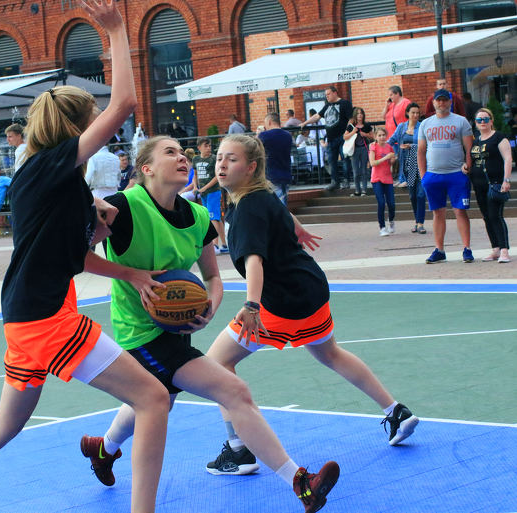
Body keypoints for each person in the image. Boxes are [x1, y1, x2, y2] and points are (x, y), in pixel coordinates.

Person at [0, 3, 170, 513]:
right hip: (46, 318)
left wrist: (116, 253)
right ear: (79, 127)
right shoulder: (50, 165)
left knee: (5, 424)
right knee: (153, 398)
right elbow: (125, 104)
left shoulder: (51, 181)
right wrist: (115, 29)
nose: (103, 128)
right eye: (94, 121)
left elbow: (71, 258)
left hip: (28, 314)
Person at [82, 135, 340, 513]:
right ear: (146, 168)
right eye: (169, 152)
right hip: (140, 333)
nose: (182, 157)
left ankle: (103, 450)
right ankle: (300, 482)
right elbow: (75, 255)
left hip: (177, 327)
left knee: (159, 398)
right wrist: (131, 274)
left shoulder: (198, 216)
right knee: (233, 391)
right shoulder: (122, 207)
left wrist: (209, 309)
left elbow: (213, 278)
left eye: (182, 152)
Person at [204, 134, 417, 480]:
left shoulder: (245, 211)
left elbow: (254, 261)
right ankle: (396, 411)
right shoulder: (263, 195)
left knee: (216, 364)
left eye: (232, 159)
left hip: (280, 302)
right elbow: (282, 212)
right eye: (219, 158)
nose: (222, 165)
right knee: (330, 353)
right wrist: (299, 229)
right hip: (311, 289)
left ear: (252, 167)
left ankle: (238, 449)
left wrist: (251, 305)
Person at [418, 88, 474, 264]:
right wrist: (423, 176)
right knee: (437, 212)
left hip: (456, 173)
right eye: (438, 100)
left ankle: (467, 248)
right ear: (433, 102)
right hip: (433, 175)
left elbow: (469, 148)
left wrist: (468, 166)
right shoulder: (425, 124)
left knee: (460, 211)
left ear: (450, 102)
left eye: (444, 100)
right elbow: (421, 150)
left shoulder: (461, 121)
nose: (441, 103)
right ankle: (439, 249)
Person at [469, 108, 512, 263]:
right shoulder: (476, 141)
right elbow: (474, 159)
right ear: (475, 123)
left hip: (495, 183)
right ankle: (496, 248)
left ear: (491, 121)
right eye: (479, 120)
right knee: (487, 217)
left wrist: (506, 180)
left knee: (495, 216)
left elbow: (508, 159)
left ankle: (504, 250)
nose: (483, 122)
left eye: (486, 119)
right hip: (479, 185)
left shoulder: (499, 137)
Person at [301, 86, 353, 190]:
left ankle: (346, 181)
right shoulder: (327, 105)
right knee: (331, 161)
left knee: (345, 160)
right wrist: (305, 123)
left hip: (342, 137)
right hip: (331, 138)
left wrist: (347, 132)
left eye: (328, 94)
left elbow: (351, 119)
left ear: (335, 93)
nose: (327, 96)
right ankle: (335, 182)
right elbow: (317, 116)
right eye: (326, 95)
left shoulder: (344, 103)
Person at [389, 103, 427, 234]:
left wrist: (411, 146)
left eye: (417, 113)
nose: (416, 115)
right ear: (407, 113)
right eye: (413, 113)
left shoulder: (422, 127)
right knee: (412, 196)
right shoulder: (401, 127)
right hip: (408, 165)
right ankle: (417, 221)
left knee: (421, 194)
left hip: (421, 164)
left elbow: (427, 145)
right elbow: (391, 141)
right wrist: (380, 148)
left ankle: (421, 223)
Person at [194, 137, 227, 253]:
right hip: (203, 193)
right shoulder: (196, 159)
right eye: (206, 146)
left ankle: (215, 245)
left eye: (209, 146)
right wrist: (195, 187)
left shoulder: (213, 159)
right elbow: (195, 175)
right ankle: (224, 245)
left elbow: (217, 177)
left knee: (213, 218)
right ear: (199, 147)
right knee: (215, 218)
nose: (208, 148)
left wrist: (204, 188)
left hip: (213, 191)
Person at [257, 112, 293, 205]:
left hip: (270, 175)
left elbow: (255, 148)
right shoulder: (288, 135)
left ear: (269, 122)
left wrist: (258, 135)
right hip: (286, 174)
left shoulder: (264, 135)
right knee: (282, 204)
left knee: (274, 206)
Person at [369, 128, 397, 237]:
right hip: (377, 178)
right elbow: (372, 163)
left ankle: (391, 221)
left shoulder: (389, 147)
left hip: (387, 178)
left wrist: (393, 159)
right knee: (381, 202)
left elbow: (392, 161)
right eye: (379, 135)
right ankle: (382, 227)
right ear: (376, 137)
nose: (382, 137)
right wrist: (386, 157)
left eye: (384, 135)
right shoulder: (373, 147)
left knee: (391, 203)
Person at [382, 85, 411, 186]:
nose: (390, 97)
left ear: (397, 94)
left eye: (391, 95)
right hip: (391, 137)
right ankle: (399, 178)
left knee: (402, 158)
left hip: (401, 136)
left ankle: (403, 179)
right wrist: (386, 105)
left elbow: (410, 117)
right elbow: (383, 116)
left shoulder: (405, 103)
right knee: (395, 159)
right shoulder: (392, 105)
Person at [343, 107, 374, 196]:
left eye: (361, 113)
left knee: (364, 170)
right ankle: (357, 190)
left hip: (364, 149)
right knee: (356, 171)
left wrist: (365, 134)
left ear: (363, 115)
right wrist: (353, 132)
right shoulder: (351, 126)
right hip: (354, 149)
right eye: (358, 113)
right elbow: (345, 137)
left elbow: (373, 136)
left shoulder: (366, 125)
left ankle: (364, 190)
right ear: (355, 115)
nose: (360, 115)